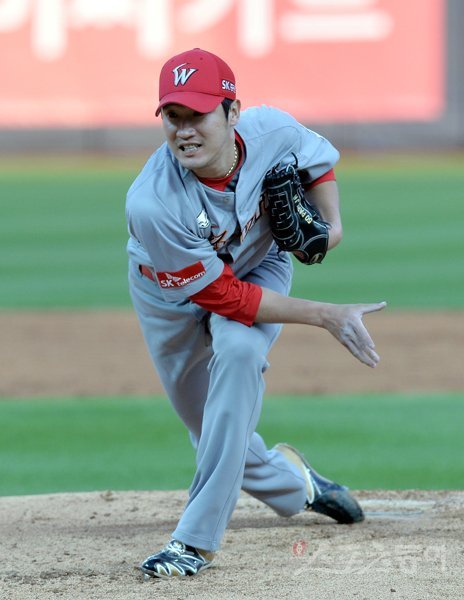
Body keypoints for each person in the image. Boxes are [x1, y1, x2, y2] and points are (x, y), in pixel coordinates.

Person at [126, 48, 385, 579]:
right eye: (173, 116)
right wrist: (326, 314)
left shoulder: (272, 131)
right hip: (168, 294)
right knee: (214, 426)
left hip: (260, 262)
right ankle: (297, 485)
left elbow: (318, 164)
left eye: (198, 115)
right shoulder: (153, 202)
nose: (185, 130)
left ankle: (193, 542)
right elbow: (225, 297)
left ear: (232, 112)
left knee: (240, 352)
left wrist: (332, 231)